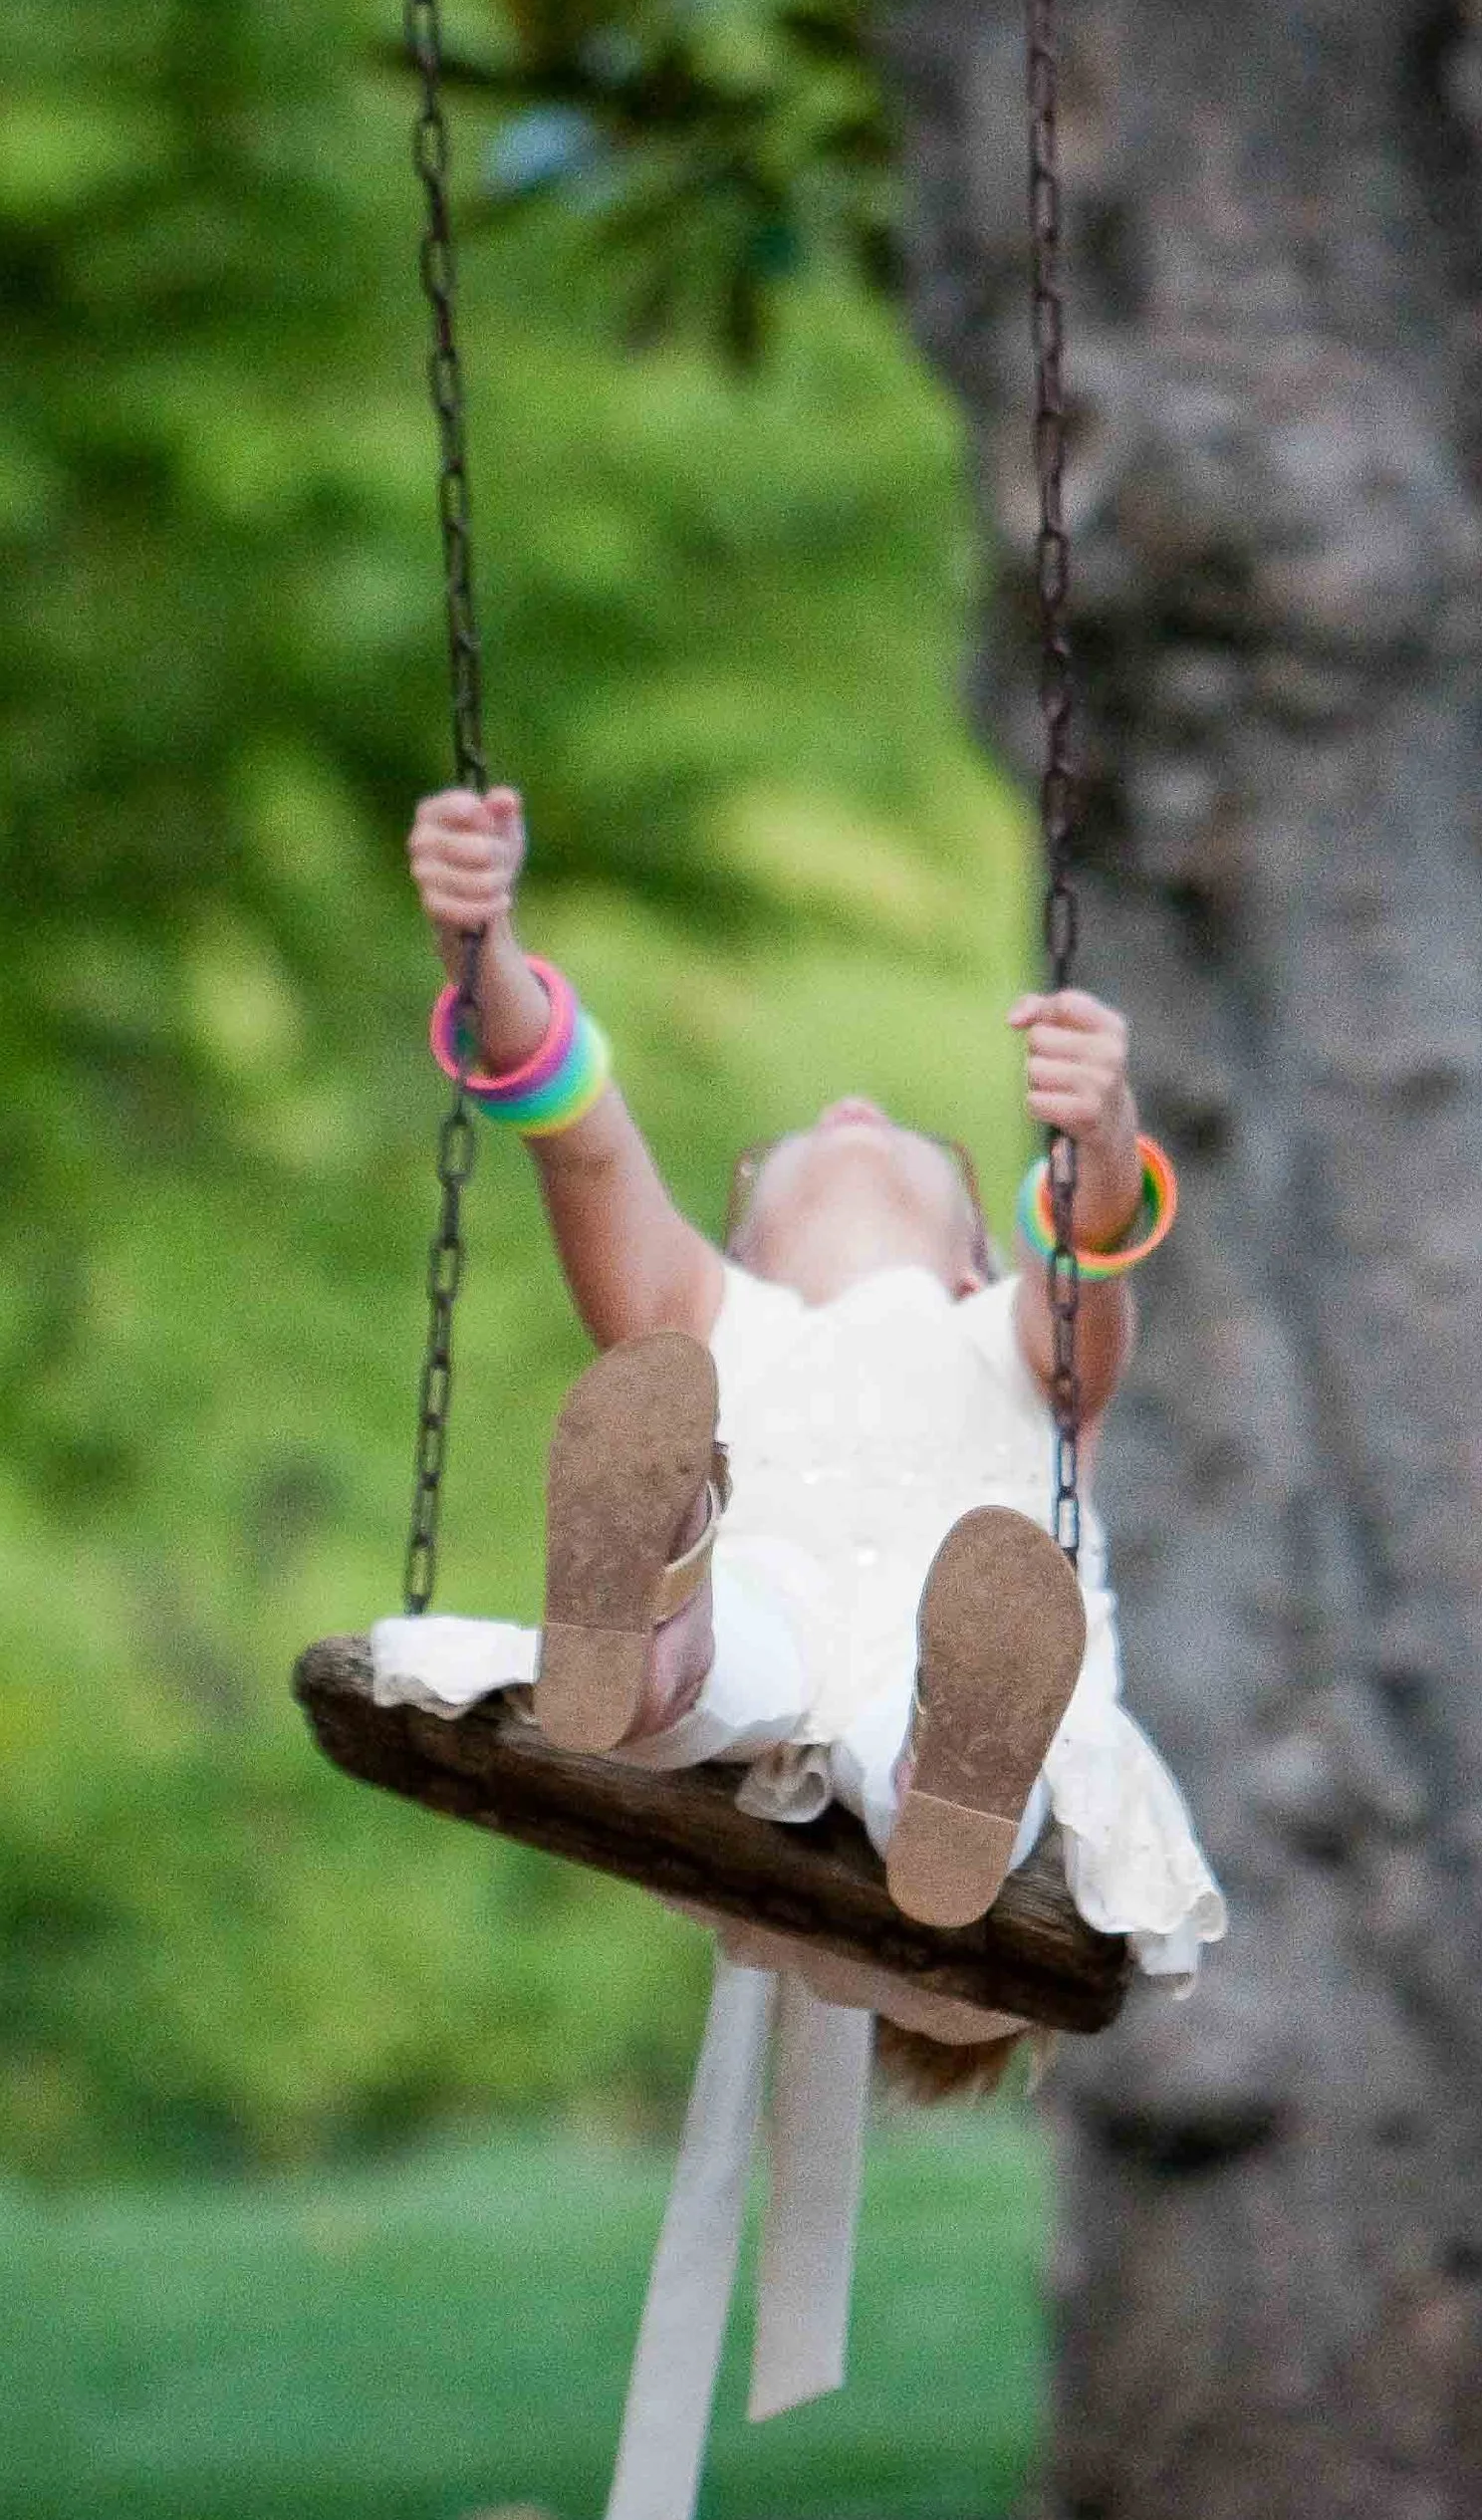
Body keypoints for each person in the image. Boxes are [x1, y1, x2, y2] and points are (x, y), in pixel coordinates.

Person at [376, 783, 1224, 2023]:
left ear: (973, 1263)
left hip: (945, 1656)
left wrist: (1099, 1131)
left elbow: (1091, 1252)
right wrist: (483, 947)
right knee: (723, 1665)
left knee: (939, 1737)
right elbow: (582, 1139)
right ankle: (648, 1632)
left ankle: (950, 1762)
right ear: (745, 1248)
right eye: (798, 1144)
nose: (851, 1114)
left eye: (898, 1133)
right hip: (763, 1625)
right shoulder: (716, 1320)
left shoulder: (1006, 1339)